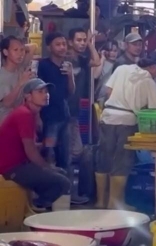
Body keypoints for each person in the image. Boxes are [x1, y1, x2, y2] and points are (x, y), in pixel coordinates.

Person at [96, 52, 156, 209]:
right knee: (122, 162)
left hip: (108, 117)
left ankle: (101, 201)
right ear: (154, 66)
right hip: (127, 122)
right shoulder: (148, 80)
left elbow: (108, 92)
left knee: (104, 159)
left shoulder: (122, 69)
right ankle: (114, 203)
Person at [0, 79, 70, 209]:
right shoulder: (24, 114)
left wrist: (44, 144)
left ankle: (36, 206)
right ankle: (35, 208)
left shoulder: (29, 114)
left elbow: (26, 145)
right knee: (63, 182)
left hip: (20, 164)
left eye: (46, 91)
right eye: (40, 91)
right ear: (28, 96)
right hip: (11, 168)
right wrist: (48, 167)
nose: (46, 95)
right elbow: (30, 151)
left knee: (62, 174)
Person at [38, 32, 88, 205]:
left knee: (66, 157)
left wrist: (70, 75)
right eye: (57, 44)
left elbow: (71, 91)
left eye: (63, 44)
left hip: (65, 115)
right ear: (49, 47)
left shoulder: (67, 66)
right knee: (48, 155)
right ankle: (47, 196)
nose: (62, 47)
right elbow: (39, 91)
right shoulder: (43, 65)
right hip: (49, 118)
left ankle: (67, 195)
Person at [66, 27, 100, 202]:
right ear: (70, 41)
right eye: (78, 40)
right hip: (66, 111)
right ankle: (70, 192)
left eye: (83, 40)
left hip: (75, 111)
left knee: (76, 151)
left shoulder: (82, 58)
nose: (81, 43)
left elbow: (96, 61)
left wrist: (90, 45)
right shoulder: (66, 60)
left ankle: (72, 193)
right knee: (73, 152)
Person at [0, 36, 35, 125]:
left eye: (22, 50)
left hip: (20, 120)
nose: (20, 54)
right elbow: (7, 103)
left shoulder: (20, 68)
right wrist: (21, 83)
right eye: (15, 50)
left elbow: (33, 46)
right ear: (5, 52)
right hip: (5, 122)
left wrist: (20, 46)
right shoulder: (2, 75)